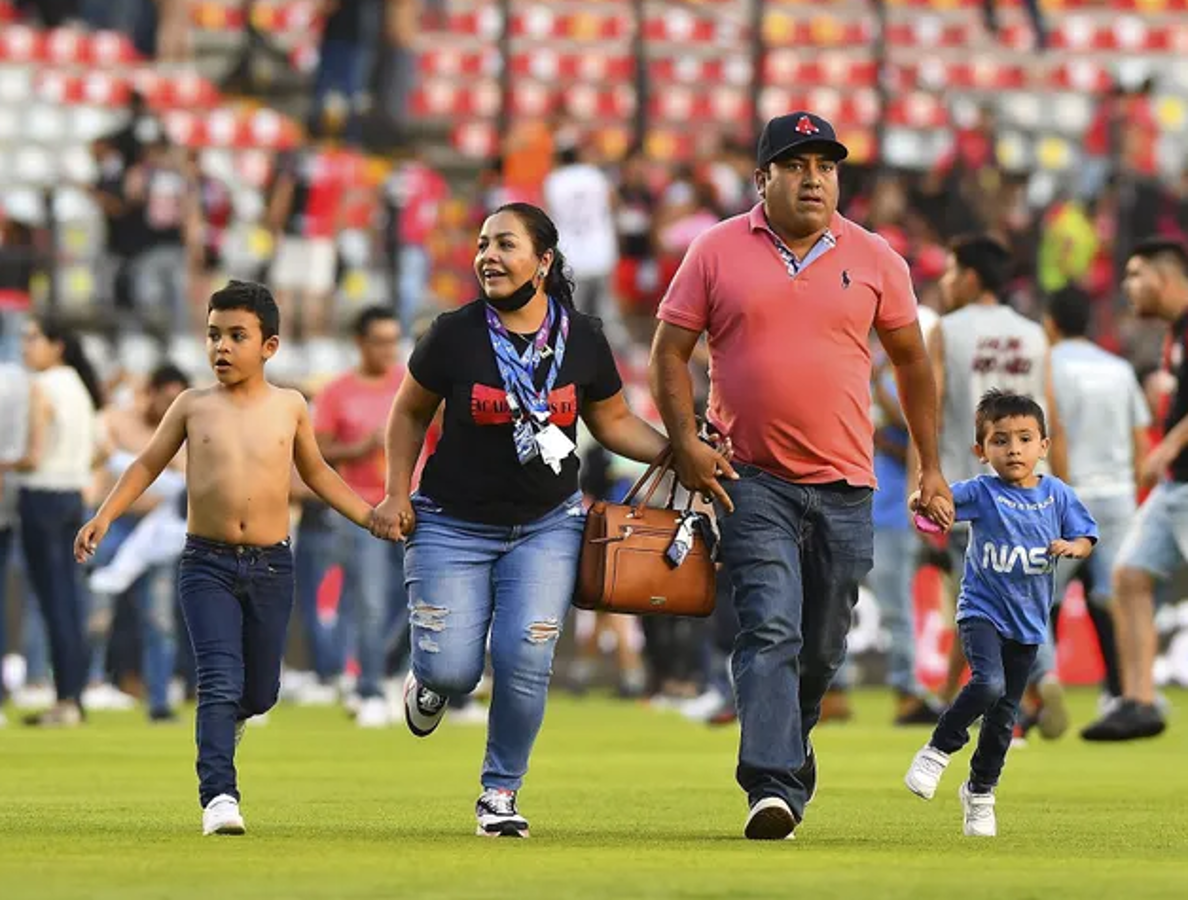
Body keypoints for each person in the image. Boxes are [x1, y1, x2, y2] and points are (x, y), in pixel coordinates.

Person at [649, 111, 952, 841]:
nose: (815, 178)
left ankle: (792, 737)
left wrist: (930, 465)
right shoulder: (716, 249)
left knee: (822, 646)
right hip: (749, 477)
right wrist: (686, 439)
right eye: (797, 164)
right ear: (764, 178)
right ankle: (772, 785)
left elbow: (913, 362)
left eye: (827, 165)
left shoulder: (877, 257)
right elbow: (669, 350)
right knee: (771, 627)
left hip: (848, 483)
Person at [373, 202, 668, 838]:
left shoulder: (584, 337)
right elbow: (406, 414)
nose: (488, 256)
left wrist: (678, 451)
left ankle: (499, 793)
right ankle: (429, 680)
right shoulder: (453, 332)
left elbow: (612, 422)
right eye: (482, 245)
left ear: (544, 261)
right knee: (453, 670)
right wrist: (397, 491)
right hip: (451, 523)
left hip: (547, 525)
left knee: (525, 657)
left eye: (504, 244)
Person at [74, 280, 393, 836]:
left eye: (236, 336)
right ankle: (219, 796)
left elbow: (316, 473)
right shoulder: (191, 406)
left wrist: (369, 516)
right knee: (218, 680)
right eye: (213, 335)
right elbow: (145, 465)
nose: (221, 347)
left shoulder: (290, 406)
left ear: (269, 346)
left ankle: (232, 723)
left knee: (260, 691)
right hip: (207, 564)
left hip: (272, 565)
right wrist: (104, 514)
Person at [904, 390, 1097, 836]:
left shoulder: (1058, 496)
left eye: (1025, 439)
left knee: (1005, 717)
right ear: (981, 450)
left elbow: (1087, 535)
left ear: (1043, 446)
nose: (1014, 449)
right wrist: (922, 502)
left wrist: (1075, 546)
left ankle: (980, 791)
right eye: (1000, 440)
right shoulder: (981, 492)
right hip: (982, 610)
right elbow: (938, 504)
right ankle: (937, 750)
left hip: (1029, 624)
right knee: (987, 683)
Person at [927, 234, 1070, 737]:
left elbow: (931, 404)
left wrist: (926, 476)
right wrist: (1061, 485)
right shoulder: (1034, 333)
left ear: (969, 277)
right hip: (1035, 484)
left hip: (970, 489)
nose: (945, 283)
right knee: (1018, 594)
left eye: (949, 272)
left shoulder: (947, 329)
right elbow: (1050, 408)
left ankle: (1029, 686)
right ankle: (1033, 683)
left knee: (982, 600)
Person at [1083, 239, 1188, 741]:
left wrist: (1168, 443)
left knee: (1128, 578)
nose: (1127, 287)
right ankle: (1141, 701)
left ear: (1165, 279)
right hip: (1176, 487)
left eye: (1135, 274)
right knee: (1128, 577)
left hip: (1183, 480)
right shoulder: (1175, 333)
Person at [1042, 287, 1149, 720]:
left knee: (1037, 595)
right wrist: (1136, 493)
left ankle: (1039, 689)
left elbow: (1054, 434)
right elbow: (1140, 439)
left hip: (1071, 494)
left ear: (1051, 322)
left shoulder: (1049, 368)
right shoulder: (1119, 369)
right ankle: (1123, 695)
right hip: (1118, 498)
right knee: (1113, 598)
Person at [1, 317, 103, 727]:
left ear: (56, 345)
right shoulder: (80, 387)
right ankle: (72, 695)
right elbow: (102, 447)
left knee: (52, 600)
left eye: (33, 338)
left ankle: (67, 699)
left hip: (41, 496)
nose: (26, 347)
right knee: (67, 598)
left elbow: (32, 456)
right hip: (71, 496)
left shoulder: (42, 387)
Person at [313, 304, 407, 727]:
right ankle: (369, 687)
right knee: (370, 601)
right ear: (360, 343)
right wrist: (359, 448)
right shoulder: (338, 392)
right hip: (362, 509)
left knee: (418, 602)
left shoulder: (410, 384)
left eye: (393, 340)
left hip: (411, 506)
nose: (388, 350)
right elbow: (317, 452)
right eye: (380, 341)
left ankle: (389, 671)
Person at [84, 363, 190, 720]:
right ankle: (90, 686)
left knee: (159, 618)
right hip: (115, 524)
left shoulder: (184, 430)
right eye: (165, 398)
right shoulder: (119, 419)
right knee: (98, 609)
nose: (169, 406)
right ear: (151, 393)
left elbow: (185, 478)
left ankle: (158, 700)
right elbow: (100, 455)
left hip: (156, 533)